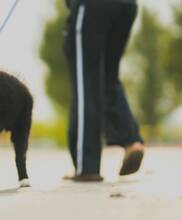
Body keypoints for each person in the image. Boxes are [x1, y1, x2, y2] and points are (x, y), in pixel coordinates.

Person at [63, 0, 145, 181]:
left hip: (91, 6)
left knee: (85, 81)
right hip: (126, 6)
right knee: (108, 78)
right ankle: (131, 141)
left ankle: (87, 166)